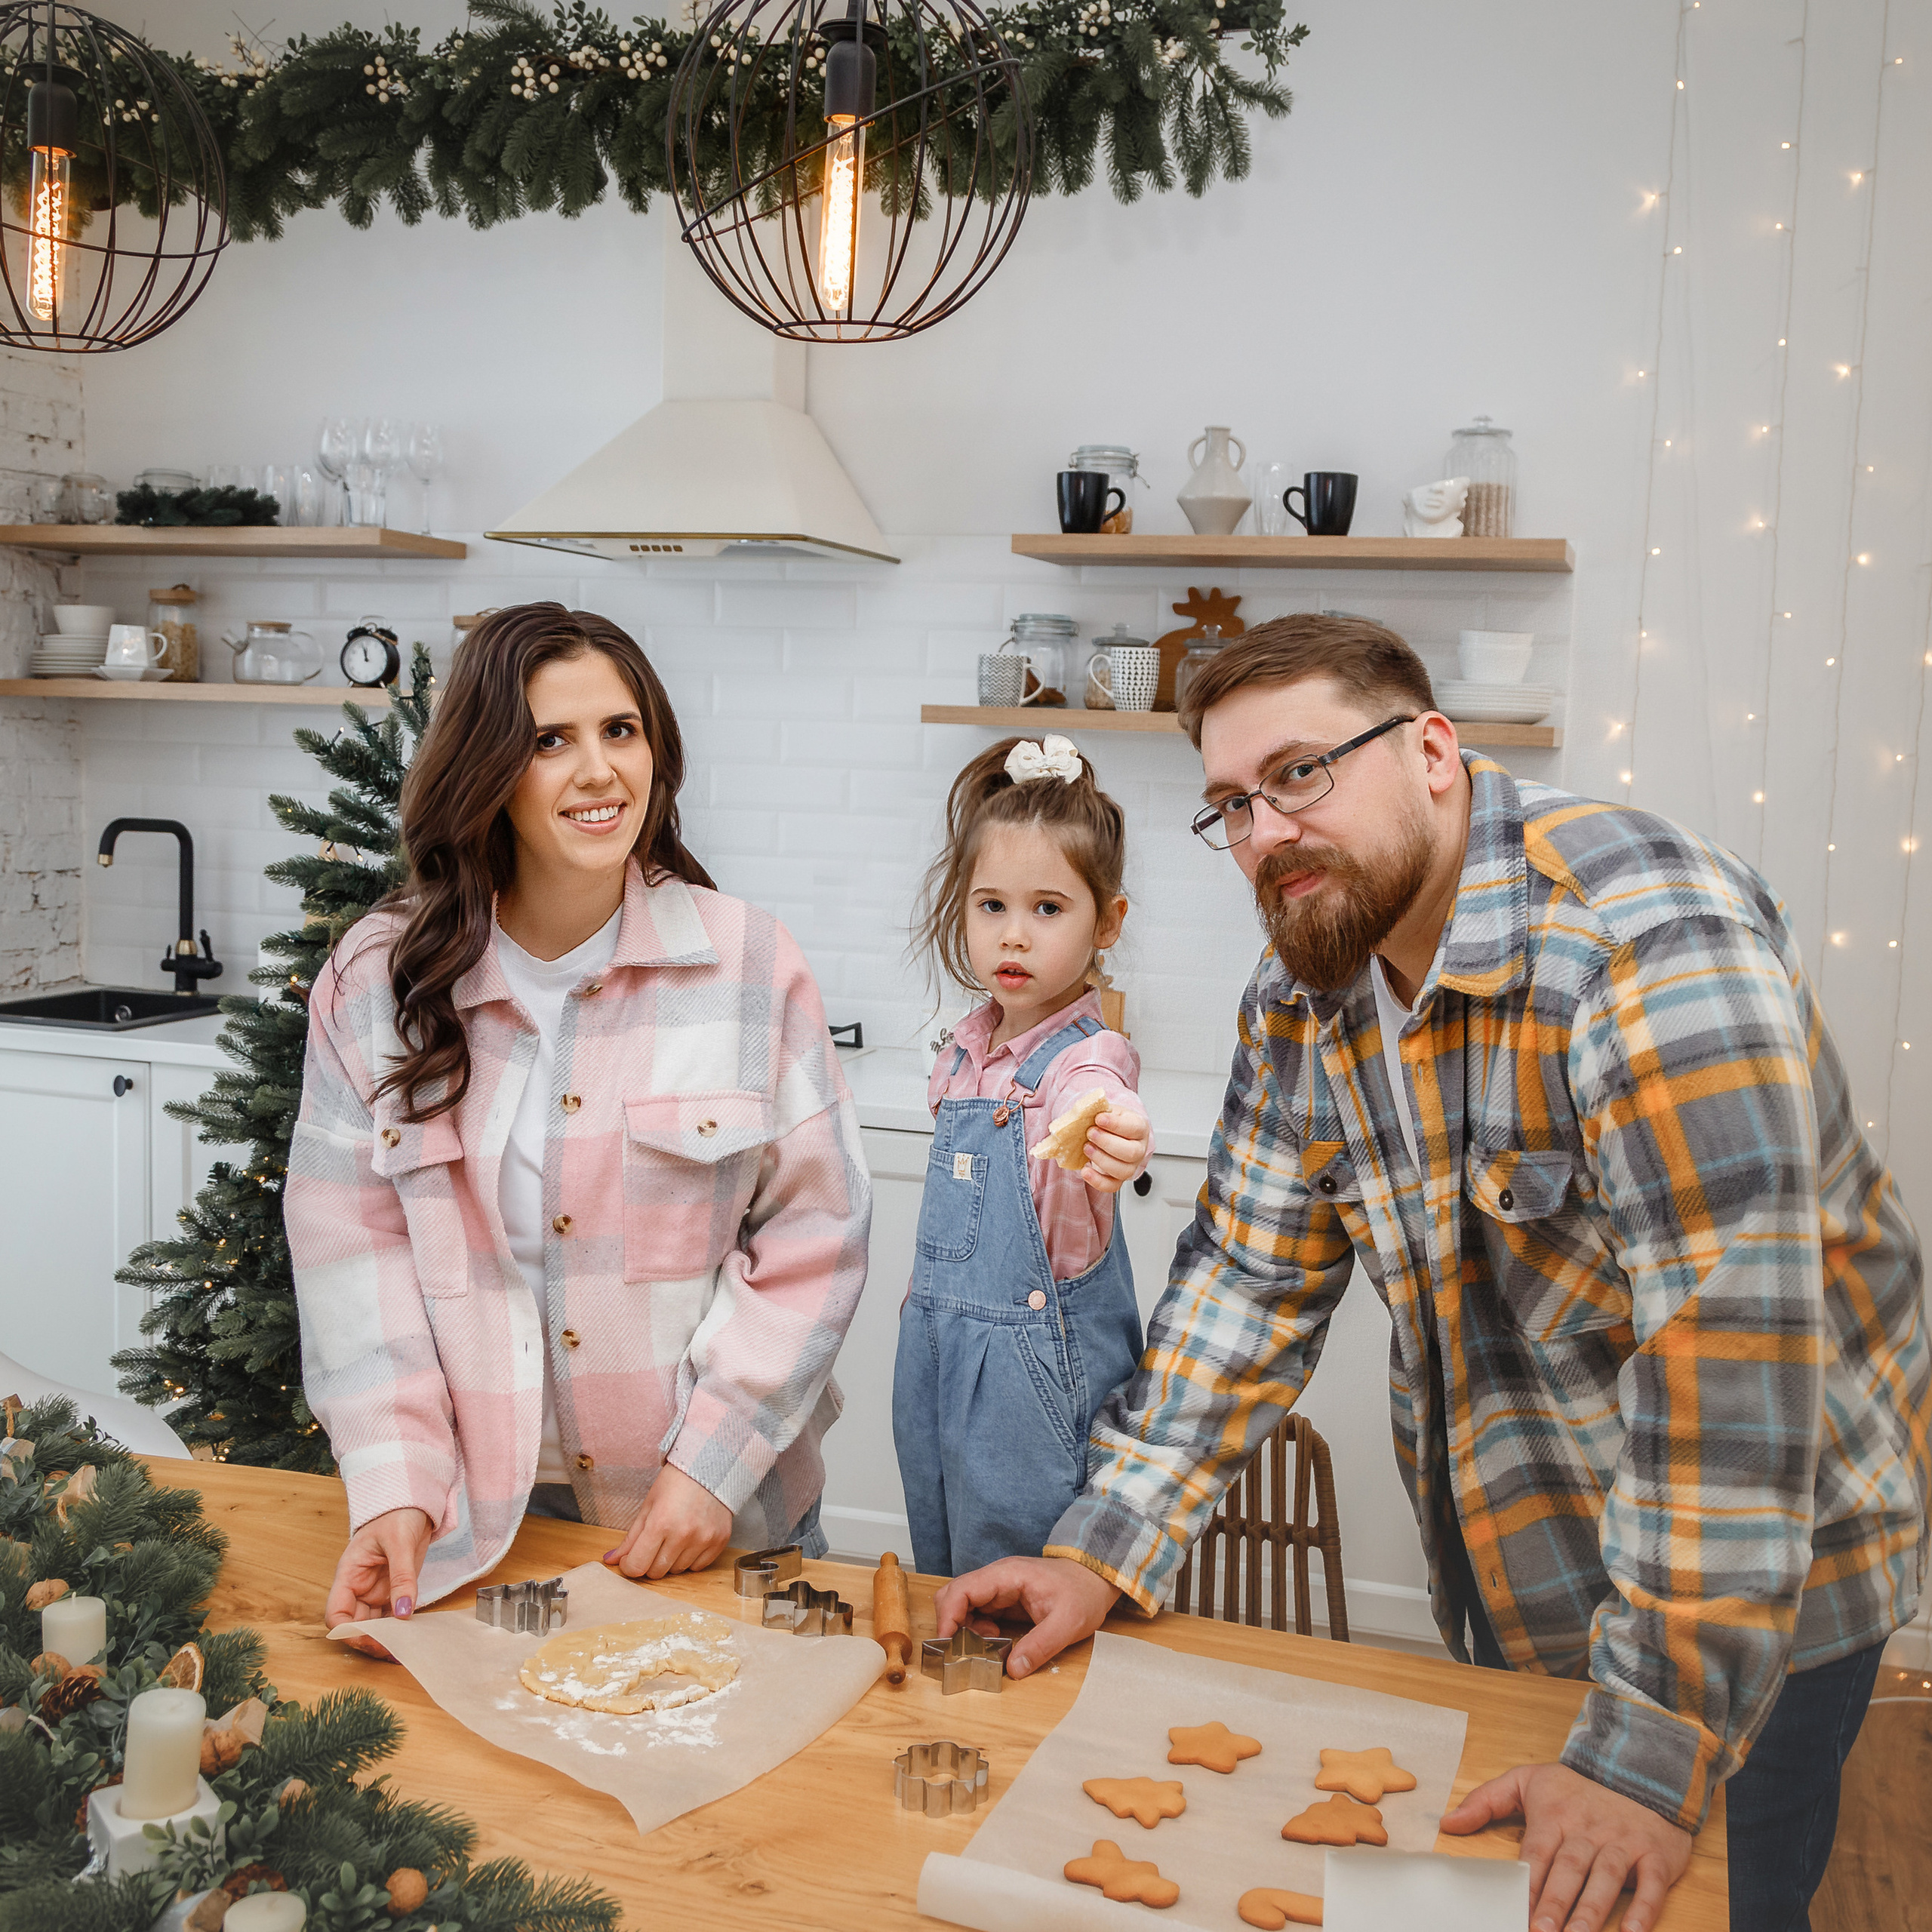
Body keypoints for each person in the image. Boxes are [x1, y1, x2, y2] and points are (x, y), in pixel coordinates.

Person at [933, 617, 1930, 1932]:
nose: (1266, 832)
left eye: (1300, 773)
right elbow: (1243, 1288)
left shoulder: (1649, 945)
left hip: (1751, 1608)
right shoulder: (1303, 992)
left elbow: (1730, 1381)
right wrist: (1101, 1550)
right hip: (1528, 1575)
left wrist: (1650, 1744)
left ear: (1434, 752)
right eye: (1233, 806)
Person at [287, 602, 870, 1647]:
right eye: (550, 740)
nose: (600, 771)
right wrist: (397, 1488)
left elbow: (815, 1238)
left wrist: (712, 1466)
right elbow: (352, 1256)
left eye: (621, 730)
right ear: (487, 768)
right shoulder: (378, 980)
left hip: (714, 1527)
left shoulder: (750, 965)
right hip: (475, 1533)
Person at [894, 734, 1152, 1575]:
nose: (1014, 936)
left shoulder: (1086, 1059)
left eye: (1047, 909)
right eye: (991, 906)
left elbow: (1102, 1098)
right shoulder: (962, 1054)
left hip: (1033, 1379)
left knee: (1019, 1583)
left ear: (1106, 922)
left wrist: (1113, 1131)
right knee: (943, 1566)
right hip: (937, 1354)